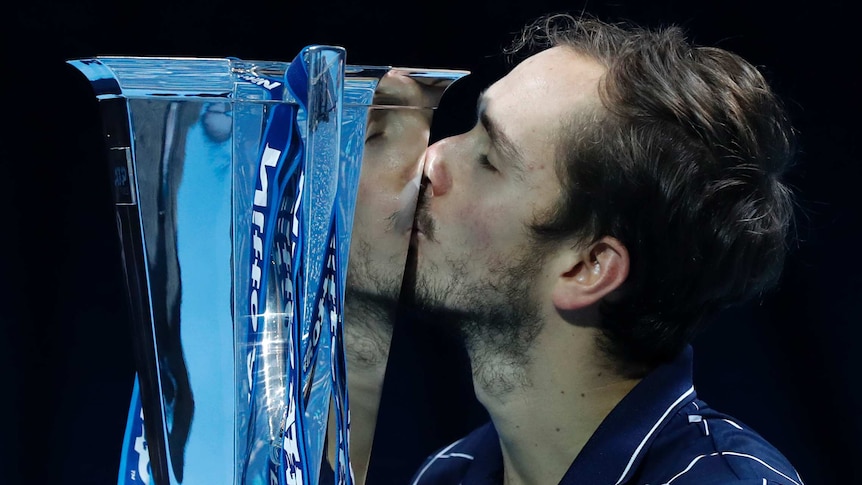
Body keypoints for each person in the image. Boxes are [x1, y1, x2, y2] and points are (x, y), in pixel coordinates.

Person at [408, 13, 803, 485]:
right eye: (471, 127)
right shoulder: (447, 475)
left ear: (588, 267)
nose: (430, 159)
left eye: (489, 160)